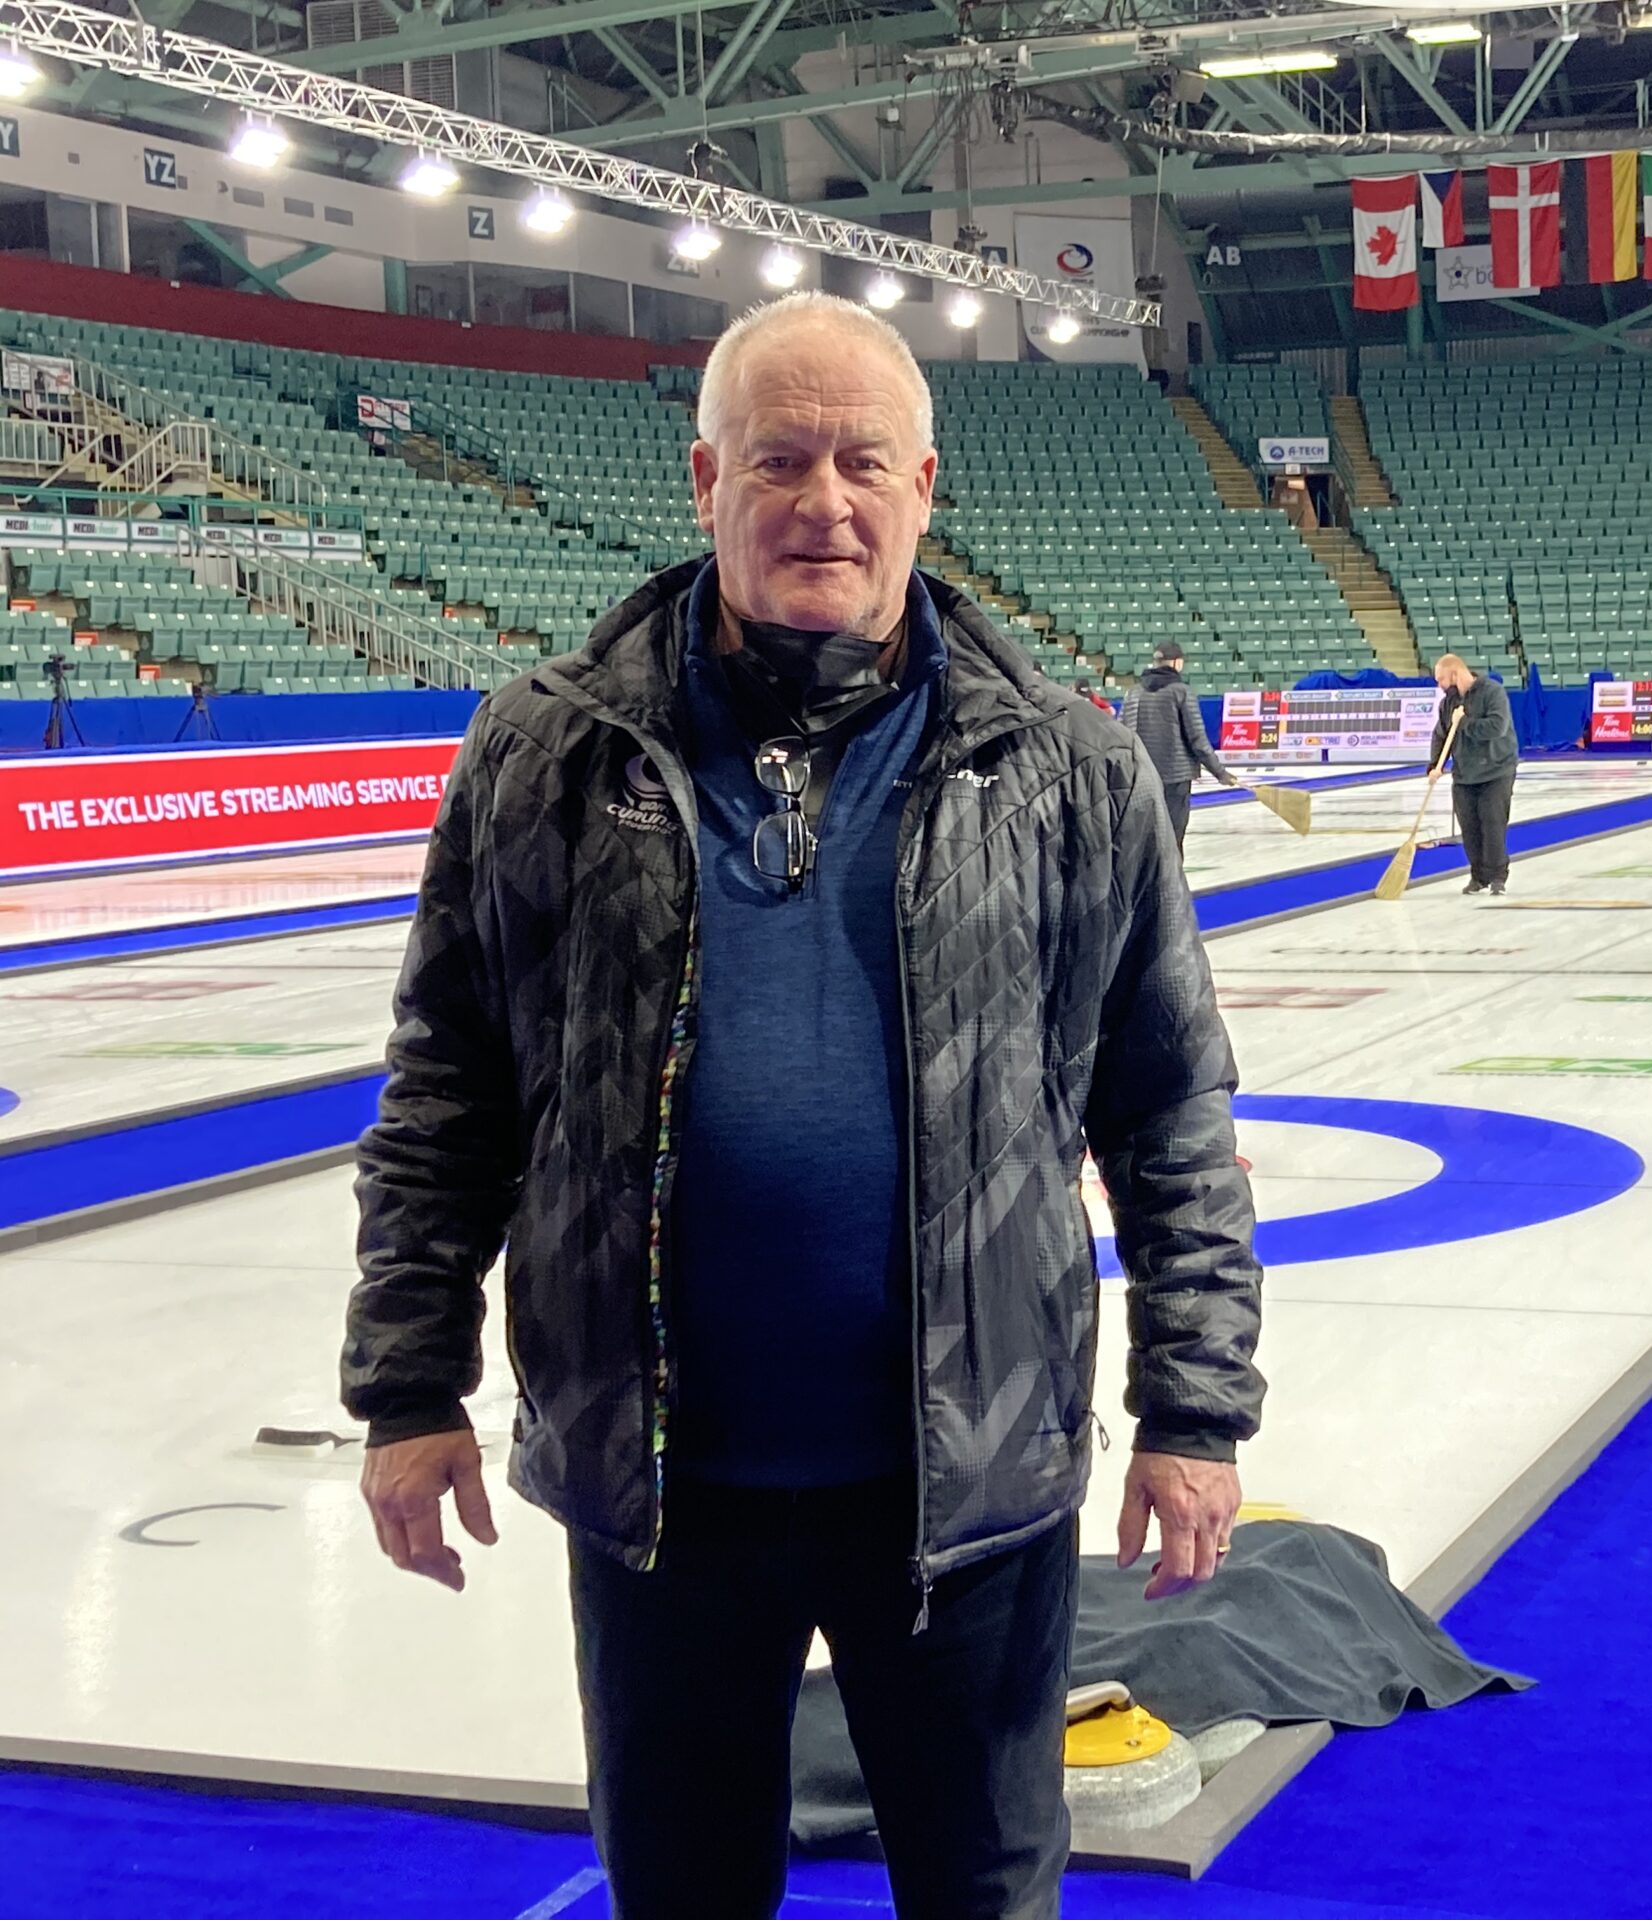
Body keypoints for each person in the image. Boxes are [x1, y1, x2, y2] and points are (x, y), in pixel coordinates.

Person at [343, 292, 1264, 1920]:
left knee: (982, 1889)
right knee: (686, 1892)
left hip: (969, 1477)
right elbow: (448, 1087)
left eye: (860, 461)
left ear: (926, 485)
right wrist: (407, 1384)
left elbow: (1171, 1108)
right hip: (660, 1485)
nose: (821, 499)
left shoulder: (1065, 766)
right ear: (705, 478)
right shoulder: (549, 752)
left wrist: (1196, 1416)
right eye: (778, 457)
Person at [1121, 642, 1238, 851]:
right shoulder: (1181, 692)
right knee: (1172, 839)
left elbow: (1121, 735)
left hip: (1140, 775)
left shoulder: (1133, 693)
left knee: (1144, 839)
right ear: (1177, 663)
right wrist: (1220, 772)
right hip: (1175, 776)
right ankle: (1170, 882)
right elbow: (1198, 739)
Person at [1432, 652, 1519, 896]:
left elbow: (1496, 727)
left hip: (1497, 769)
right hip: (1464, 774)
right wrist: (1435, 764)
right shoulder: (1447, 704)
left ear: (1454, 673)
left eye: (1441, 679)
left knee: (1492, 823)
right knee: (1469, 827)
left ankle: (1498, 877)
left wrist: (1464, 722)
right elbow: (1441, 734)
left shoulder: (1493, 692)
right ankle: (1478, 876)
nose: (1439, 686)